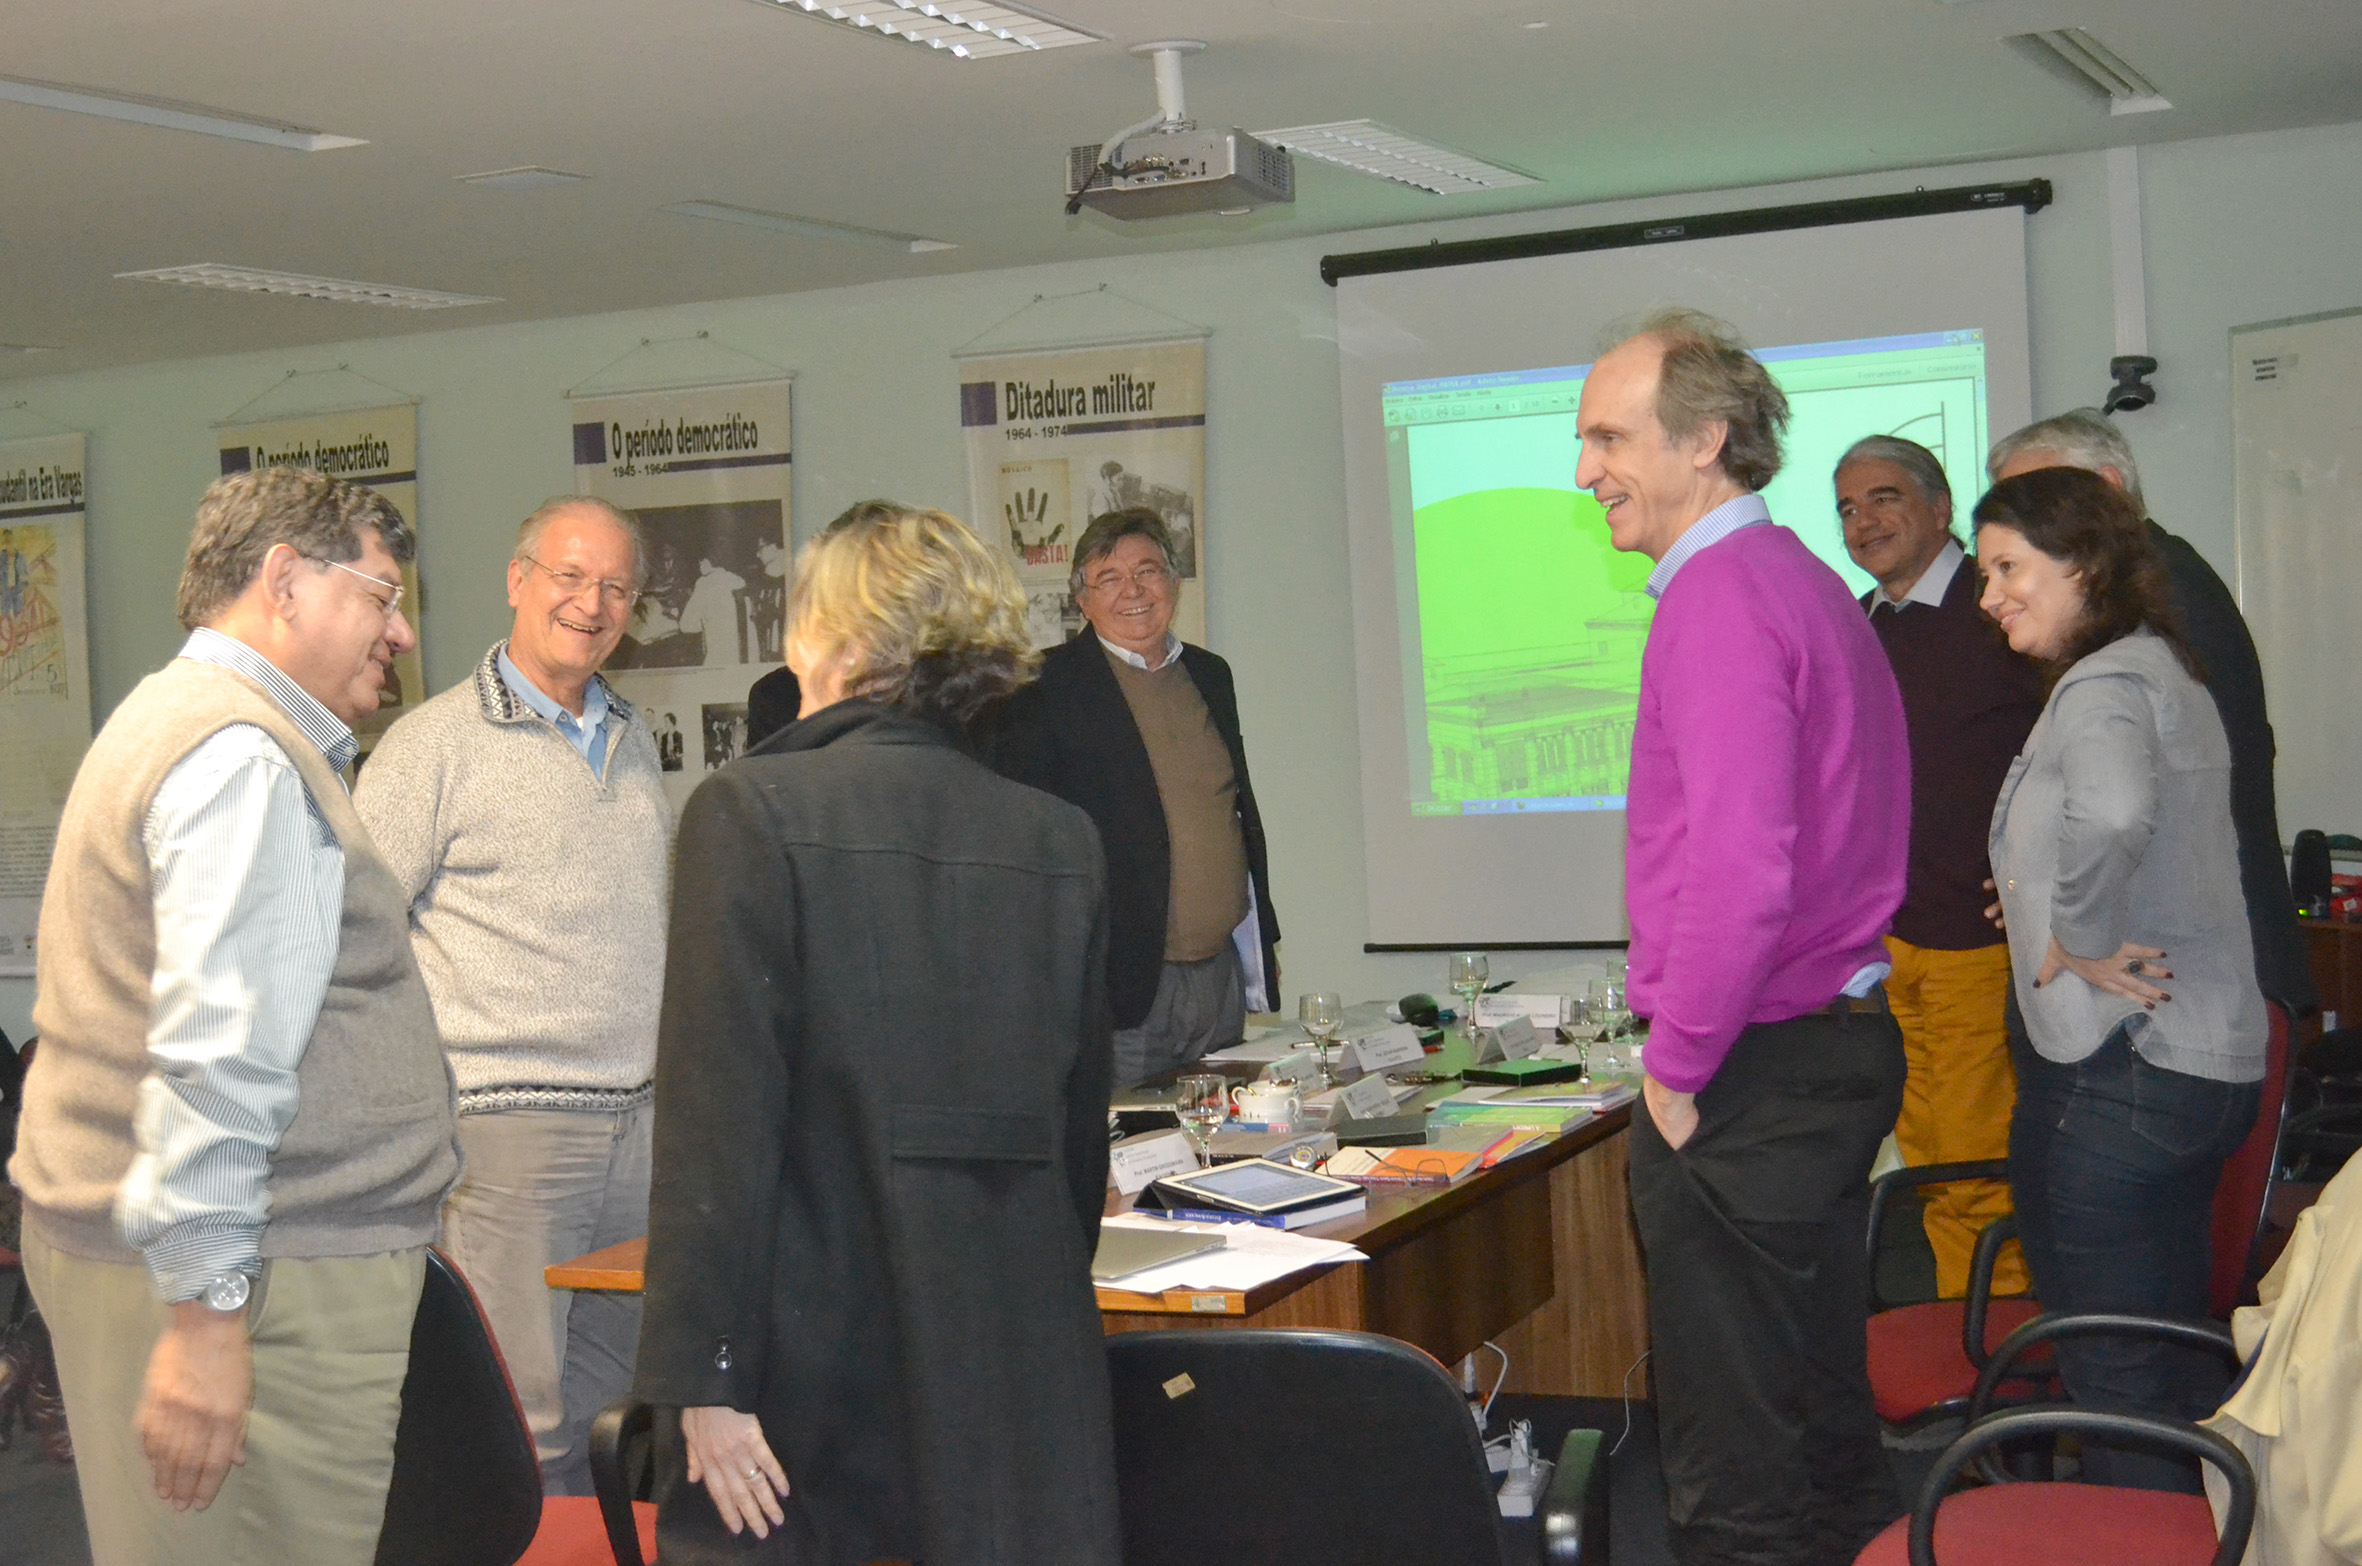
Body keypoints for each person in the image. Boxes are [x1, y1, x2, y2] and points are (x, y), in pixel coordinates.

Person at [633, 503, 1119, 1564]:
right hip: (1015, 1356)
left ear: (838, 638)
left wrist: (701, 1387)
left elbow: (716, 1130)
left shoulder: (748, 811)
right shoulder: (1058, 839)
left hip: (808, 1367)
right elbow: (1079, 1144)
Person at [9, 467, 460, 1565]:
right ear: (286, 581)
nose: (399, 633)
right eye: (380, 596)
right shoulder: (241, 758)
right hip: (260, 1284)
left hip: (226, 1268)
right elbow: (220, 1052)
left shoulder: (189, 724)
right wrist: (208, 1319)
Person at [1585, 309, 1910, 1565]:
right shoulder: (1801, 582)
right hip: (1822, 1051)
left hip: (1752, 1070)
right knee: (1820, 1417)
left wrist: (1675, 1069)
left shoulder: (1720, 597)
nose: (1584, 469)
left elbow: (1738, 869)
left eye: (1610, 436)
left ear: (1706, 440)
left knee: (1732, 1467)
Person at [353, 495, 670, 1496]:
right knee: (524, 1419)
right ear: (516, 580)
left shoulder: (631, 736)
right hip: (511, 1133)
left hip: (641, 1126)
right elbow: (358, 937)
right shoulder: (431, 745)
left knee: (618, 1404)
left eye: (616, 586)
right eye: (570, 577)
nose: (592, 603)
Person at [1978, 465, 2267, 1490]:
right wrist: (2036, 897)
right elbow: (2136, 833)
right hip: (2193, 1061)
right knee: (2166, 1359)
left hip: (2120, 1070)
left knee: (2114, 1381)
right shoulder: (2159, 665)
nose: (1989, 594)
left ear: (2086, 566)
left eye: (2010, 567)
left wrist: (2074, 934)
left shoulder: (2103, 682)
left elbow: (2108, 815)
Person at [1988, 409, 2317, 1019]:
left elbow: (2129, 804)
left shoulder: (2153, 606)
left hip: (2178, 981)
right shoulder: (2155, 591)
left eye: (2045, 503)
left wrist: (2070, 913)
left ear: (2109, 490)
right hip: (2181, 969)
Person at [1836, 434, 2046, 1299]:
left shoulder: (1996, 610)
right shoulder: (1860, 621)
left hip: (1976, 942)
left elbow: (2071, 753)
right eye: (1846, 508)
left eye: (1882, 497)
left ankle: (2010, 1375)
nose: (1863, 521)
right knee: (1928, 1161)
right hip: (1895, 942)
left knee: (1975, 1168)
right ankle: (1969, 1364)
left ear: (1938, 506)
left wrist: (2044, 870)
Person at [985, 507, 1278, 1086]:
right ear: (1082, 600)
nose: (1133, 591)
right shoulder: (1039, 690)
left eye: (1147, 571)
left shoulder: (1210, 674)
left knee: (1223, 1155)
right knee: (1129, 1161)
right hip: (1121, 988)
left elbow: (1234, 811)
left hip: (1220, 973)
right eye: (1110, 578)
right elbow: (1027, 848)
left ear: (1173, 583)